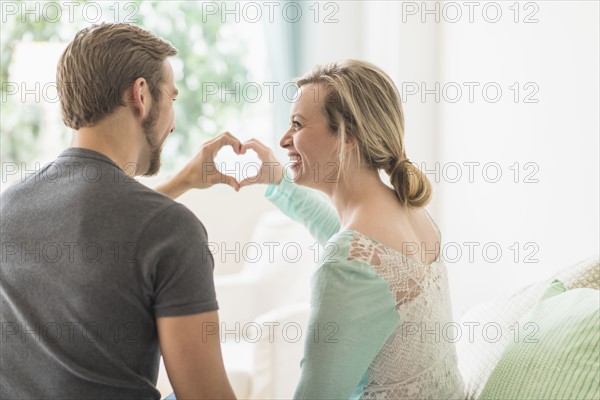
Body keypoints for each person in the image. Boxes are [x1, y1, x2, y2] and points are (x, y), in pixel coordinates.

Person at [0, 23, 239, 399]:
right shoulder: (172, 230)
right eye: (172, 98)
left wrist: (181, 182)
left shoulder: (6, 207)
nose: (173, 123)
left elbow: (95, 225)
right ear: (140, 95)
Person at [238, 60, 465, 399]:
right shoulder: (412, 214)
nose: (285, 140)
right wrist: (278, 179)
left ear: (348, 136)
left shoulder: (347, 263)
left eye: (297, 125)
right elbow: (346, 239)